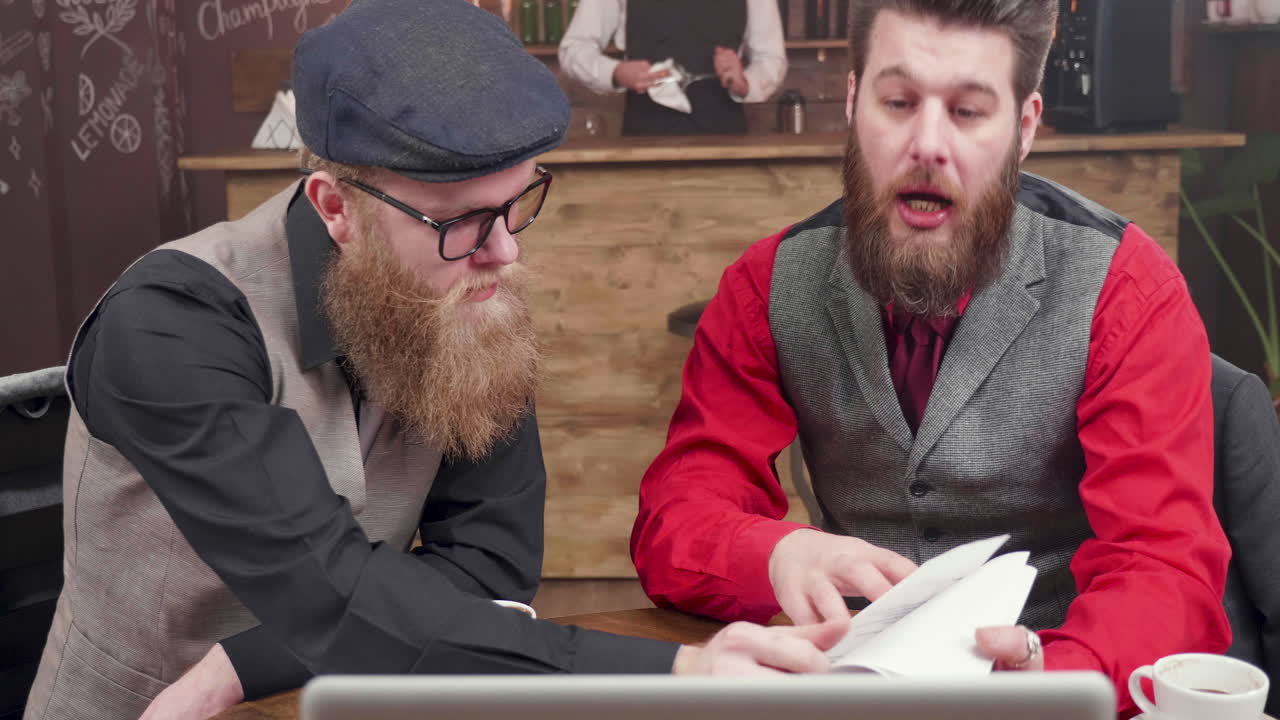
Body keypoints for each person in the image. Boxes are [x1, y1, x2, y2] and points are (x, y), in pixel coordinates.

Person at [22, 3, 847, 719]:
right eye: (460, 222)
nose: (503, 256)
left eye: (515, 206)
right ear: (336, 207)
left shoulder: (468, 290)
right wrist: (680, 670)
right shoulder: (170, 326)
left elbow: (489, 568)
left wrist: (247, 664)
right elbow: (331, 593)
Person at [629, 0, 1232, 713]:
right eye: (897, 101)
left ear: (1024, 128)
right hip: (848, 686)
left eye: (970, 112)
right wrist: (773, 553)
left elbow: (1164, 570)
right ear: (854, 104)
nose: (928, 144)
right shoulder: (765, 287)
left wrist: (1051, 680)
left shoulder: (1128, 290)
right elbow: (677, 518)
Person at [558, 0, 787, 135]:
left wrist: (745, 82)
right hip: (644, 133)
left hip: (725, 132)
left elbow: (771, 58)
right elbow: (574, 48)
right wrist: (615, 73)